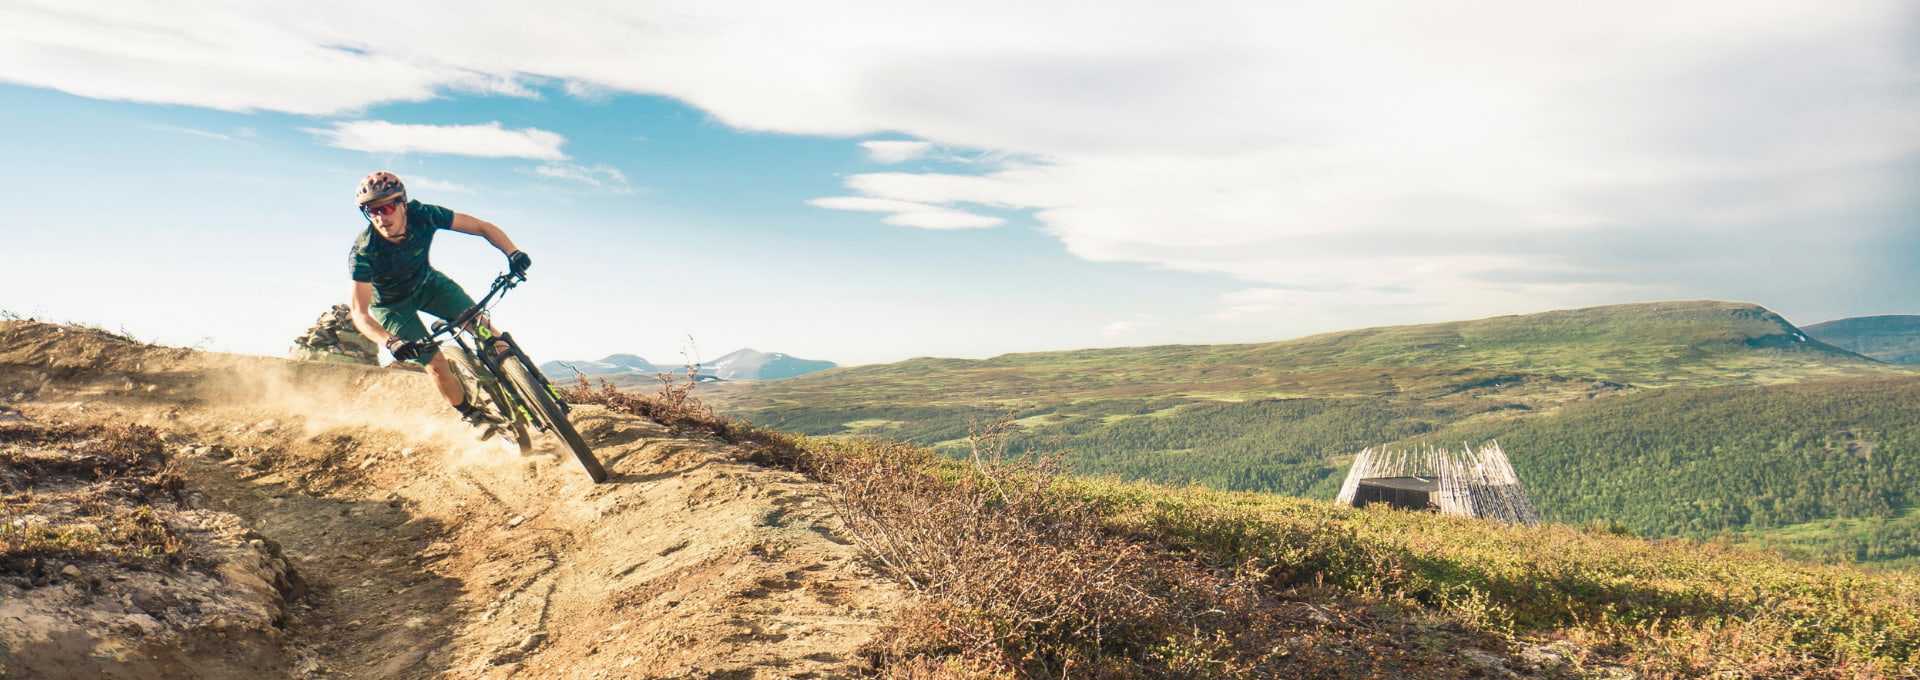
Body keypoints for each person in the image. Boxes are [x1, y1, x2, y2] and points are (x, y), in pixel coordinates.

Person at [344, 171, 532, 436]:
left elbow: (482, 227)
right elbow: (359, 312)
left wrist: (513, 253)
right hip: (393, 306)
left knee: (484, 328)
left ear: (403, 203)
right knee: (436, 364)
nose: (380, 217)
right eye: (370, 211)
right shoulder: (364, 251)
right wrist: (391, 341)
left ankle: (530, 390)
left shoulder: (424, 215)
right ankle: (473, 416)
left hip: (429, 285)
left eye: (386, 208)